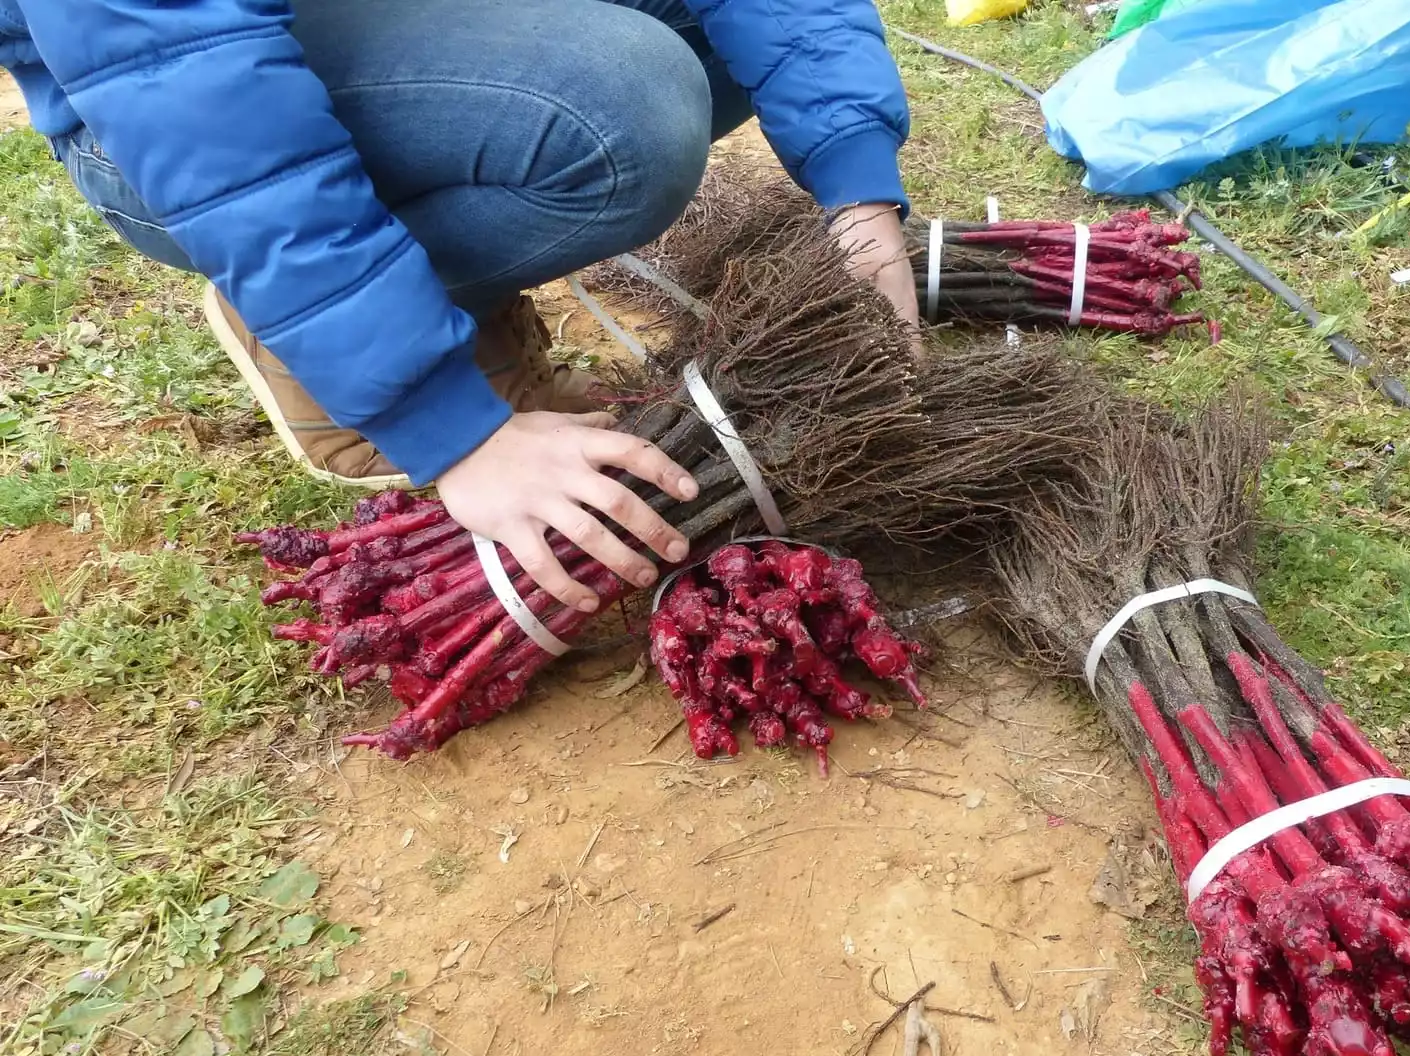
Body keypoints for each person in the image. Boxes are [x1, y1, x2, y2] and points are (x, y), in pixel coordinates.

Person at [0, 0, 920, 613]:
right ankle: (315, 323)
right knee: (621, 105)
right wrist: (447, 426)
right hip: (154, 106)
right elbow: (179, 77)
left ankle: (397, 280)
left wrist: (856, 189)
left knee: (698, 30)